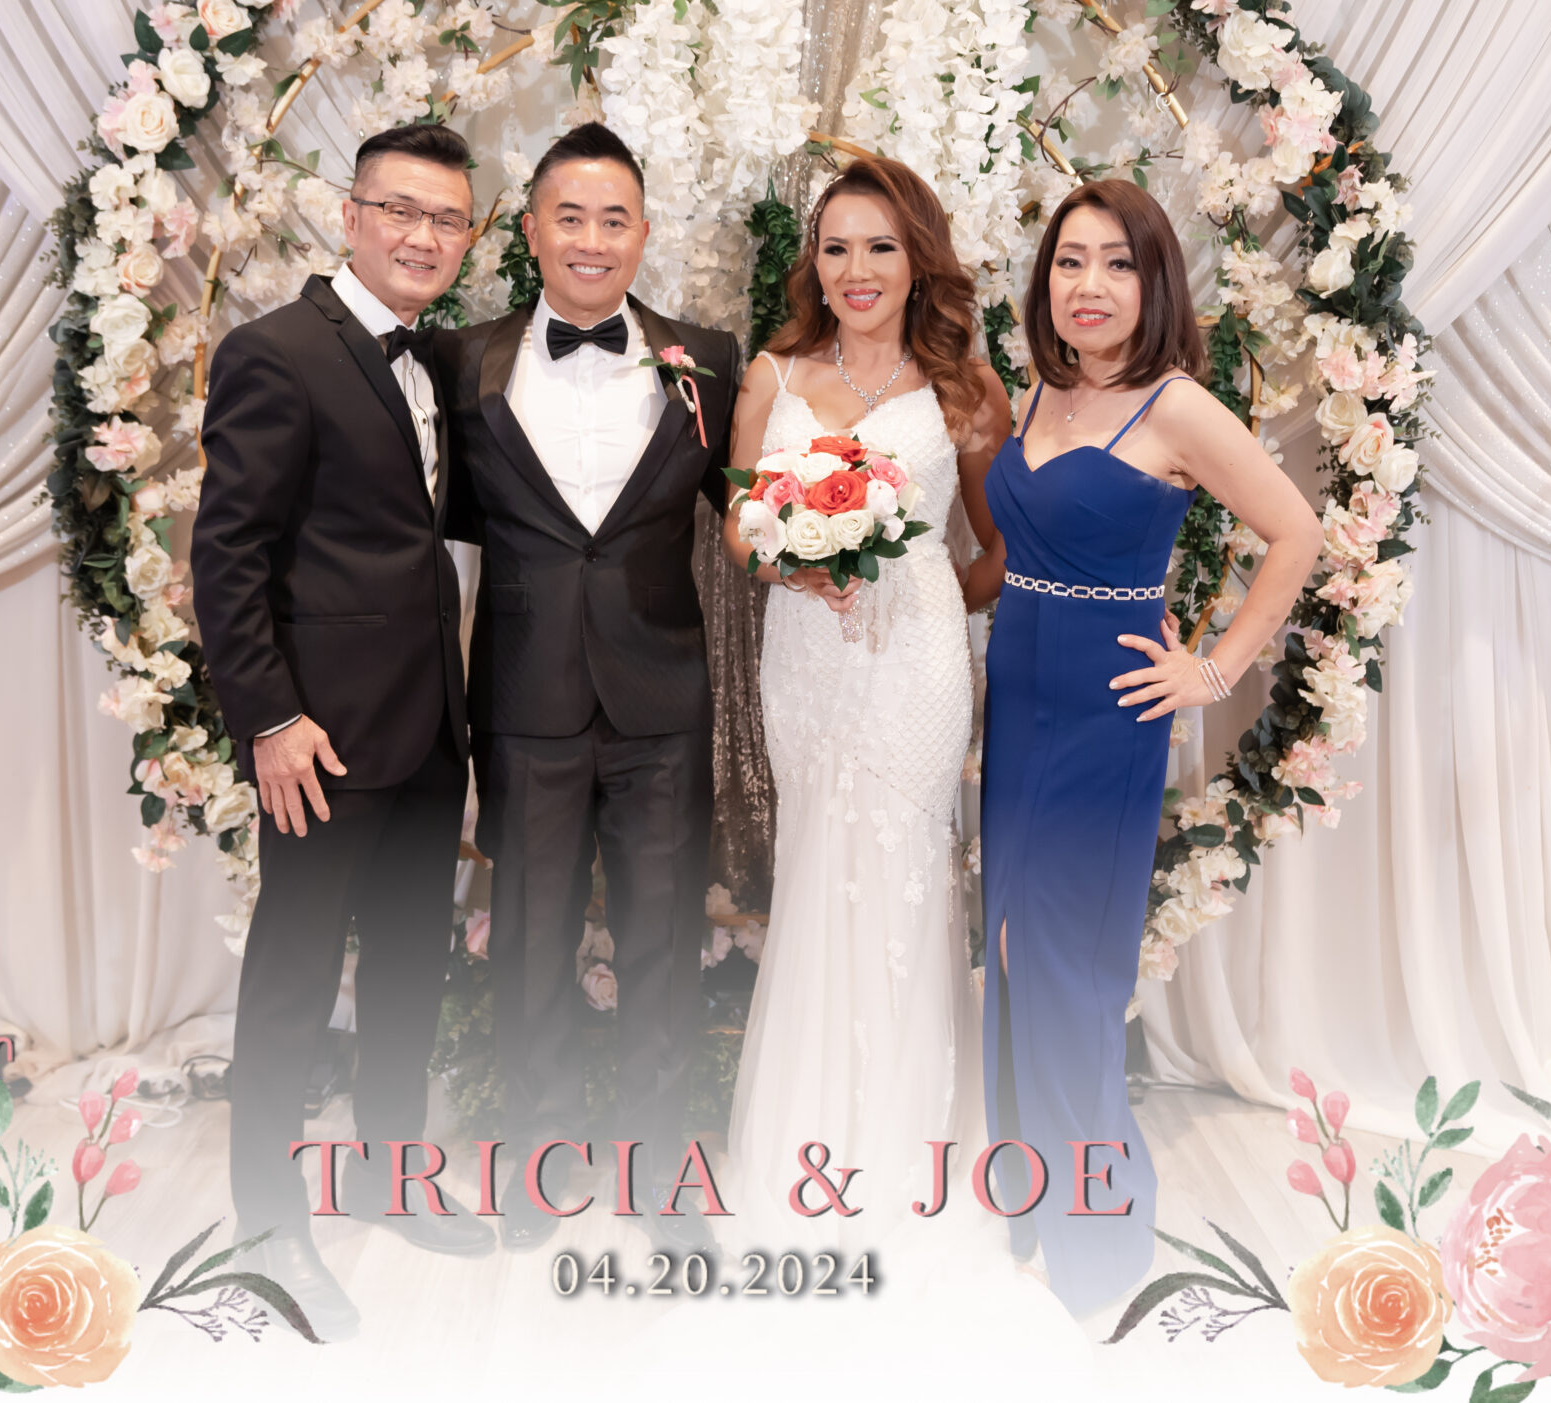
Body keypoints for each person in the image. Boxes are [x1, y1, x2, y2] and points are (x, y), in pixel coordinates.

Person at [977, 179, 1320, 1319]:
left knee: (1070, 973)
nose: (1089, 285)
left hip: (1104, 711)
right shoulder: (1044, 387)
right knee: (1013, 949)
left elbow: (1296, 531)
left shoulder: (1175, 407)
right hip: (1018, 699)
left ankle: (1102, 1251)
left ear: (1154, 281)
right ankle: (1038, 1211)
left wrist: (1212, 670)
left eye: (1117, 263)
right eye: (1070, 261)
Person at [191, 121, 498, 1342]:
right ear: (351, 216)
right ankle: (267, 1226)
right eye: (401, 211)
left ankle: (386, 1174)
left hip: (426, 731)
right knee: (294, 979)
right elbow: (227, 553)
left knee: (412, 968)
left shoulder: (440, 361)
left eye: (446, 219)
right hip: (316, 740)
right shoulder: (275, 353)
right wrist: (270, 715)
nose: (423, 237)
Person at [433, 122, 739, 1252]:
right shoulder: (461, 361)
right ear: (530, 230)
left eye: (615, 220)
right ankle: (541, 1164)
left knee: (664, 942)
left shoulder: (709, 360)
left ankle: (661, 1182)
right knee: (528, 943)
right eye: (571, 217)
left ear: (644, 233)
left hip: (663, 701)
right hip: (525, 702)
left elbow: (747, 511)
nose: (593, 240)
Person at [719, 154, 1012, 1239]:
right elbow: (738, 525)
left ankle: (905, 1147)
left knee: (901, 870)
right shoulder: (773, 374)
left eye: (881, 246)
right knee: (817, 867)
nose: (857, 269)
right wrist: (789, 564)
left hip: (916, 669)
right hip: (803, 662)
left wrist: (924, 592)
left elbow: (996, 546)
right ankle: (809, 1144)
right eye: (836, 246)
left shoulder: (964, 387)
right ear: (814, 261)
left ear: (918, 259)